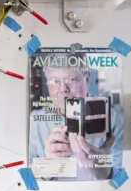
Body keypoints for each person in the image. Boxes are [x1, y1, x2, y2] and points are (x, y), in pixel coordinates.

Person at [28, 53, 122, 181]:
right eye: (55, 81)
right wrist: (49, 166)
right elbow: (24, 178)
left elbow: (128, 178)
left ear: (87, 78)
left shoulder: (114, 119)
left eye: (72, 79)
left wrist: (105, 172)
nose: (63, 89)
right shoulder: (35, 120)